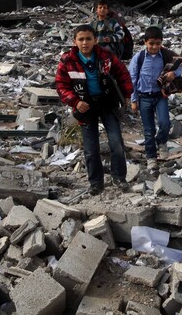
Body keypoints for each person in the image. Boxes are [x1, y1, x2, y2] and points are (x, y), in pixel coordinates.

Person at [55, 24, 133, 195]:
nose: (85, 43)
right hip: (85, 107)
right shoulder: (67, 61)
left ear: (95, 40)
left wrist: (127, 94)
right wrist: (75, 102)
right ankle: (96, 183)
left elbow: (122, 73)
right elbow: (61, 85)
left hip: (107, 103)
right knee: (91, 148)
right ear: (74, 41)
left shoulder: (106, 56)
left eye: (88, 39)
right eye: (81, 39)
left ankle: (119, 178)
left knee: (116, 143)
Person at [129, 26, 182, 173]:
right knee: (148, 130)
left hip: (160, 95)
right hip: (144, 97)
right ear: (145, 42)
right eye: (151, 43)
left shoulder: (165, 55)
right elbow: (132, 79)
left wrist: (173, 73)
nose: (154, 47)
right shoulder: (139, 58)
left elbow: (180, 66)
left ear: (161, 43)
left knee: (165, 123)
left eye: (157, 43)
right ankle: (151, 158)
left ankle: (162, 141)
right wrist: (134, 100)